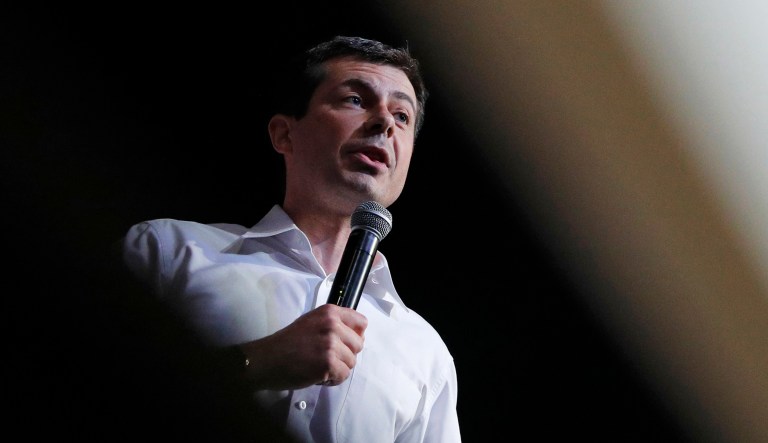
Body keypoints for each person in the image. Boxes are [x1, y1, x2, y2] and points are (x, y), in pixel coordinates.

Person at [121, 35, 461, 442]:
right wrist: (260, 362)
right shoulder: (170, 252)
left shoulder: (425, 352)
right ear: (284, 134)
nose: (384, 122)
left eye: (402, 116)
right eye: (355, 99)